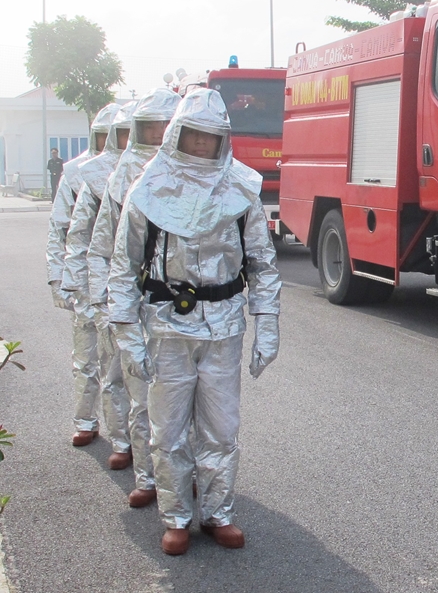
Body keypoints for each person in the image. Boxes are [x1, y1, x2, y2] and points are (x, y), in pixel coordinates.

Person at [108, 88, 280, 556]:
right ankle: (176, 516)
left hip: (223, 326)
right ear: (176, 135)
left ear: (222, 139)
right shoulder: (146, 187)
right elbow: (123, 267)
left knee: (221, 429)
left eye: (211, 137)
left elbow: (262, 263)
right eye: (194, 135)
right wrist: (127, 334)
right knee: (168, 429)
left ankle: (218, 513)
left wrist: (267, 322)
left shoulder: (242, 187)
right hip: (166, 326)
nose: (202, 145)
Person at [89, 88, 181, 507]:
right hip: (133, 300)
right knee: (138, 394)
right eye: (152, 128)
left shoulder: (192, 174)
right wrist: (102, 302)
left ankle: (180, 477)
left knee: (181, 405)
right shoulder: (120, 178)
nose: (160, 135)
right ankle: (146, 475)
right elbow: (102, 245)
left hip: (175, 309)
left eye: (168, 127)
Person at [62, 102, 136, 466]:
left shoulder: (146, 172)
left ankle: (138, 440)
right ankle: (92, 424)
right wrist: (71, 283)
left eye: (125, 132)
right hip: (95, 281)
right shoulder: (81, 173)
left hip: (134, 285)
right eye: (114, 134)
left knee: (133, 370)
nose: (119, 140)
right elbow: (70, 232)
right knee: (91, 361)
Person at [45, 103, 120, 447]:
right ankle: (85, 420)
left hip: (117, 279)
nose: (108, 144)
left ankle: (124, 433)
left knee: (118, 364)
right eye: (103, 136)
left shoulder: (133, 172)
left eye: (115, 136)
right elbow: (60, 228)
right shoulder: (75, 172)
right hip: (84, 280)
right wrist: (58, 278)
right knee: (85, 357)